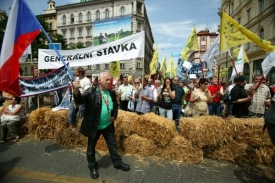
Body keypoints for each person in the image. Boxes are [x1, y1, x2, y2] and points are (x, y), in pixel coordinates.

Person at [72, 72, 130, 179]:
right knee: (91, 147)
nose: (109, 82)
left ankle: (117, 163)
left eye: (110, 80)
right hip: (95, 126)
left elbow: (115, 107)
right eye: (107, 80)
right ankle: (92, 166)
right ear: (100, 81)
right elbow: (79, 101)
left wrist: (114, 116)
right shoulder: (91, 92)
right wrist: (76, 90)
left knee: (112, 145)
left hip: (107, 125)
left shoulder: (111, 93)